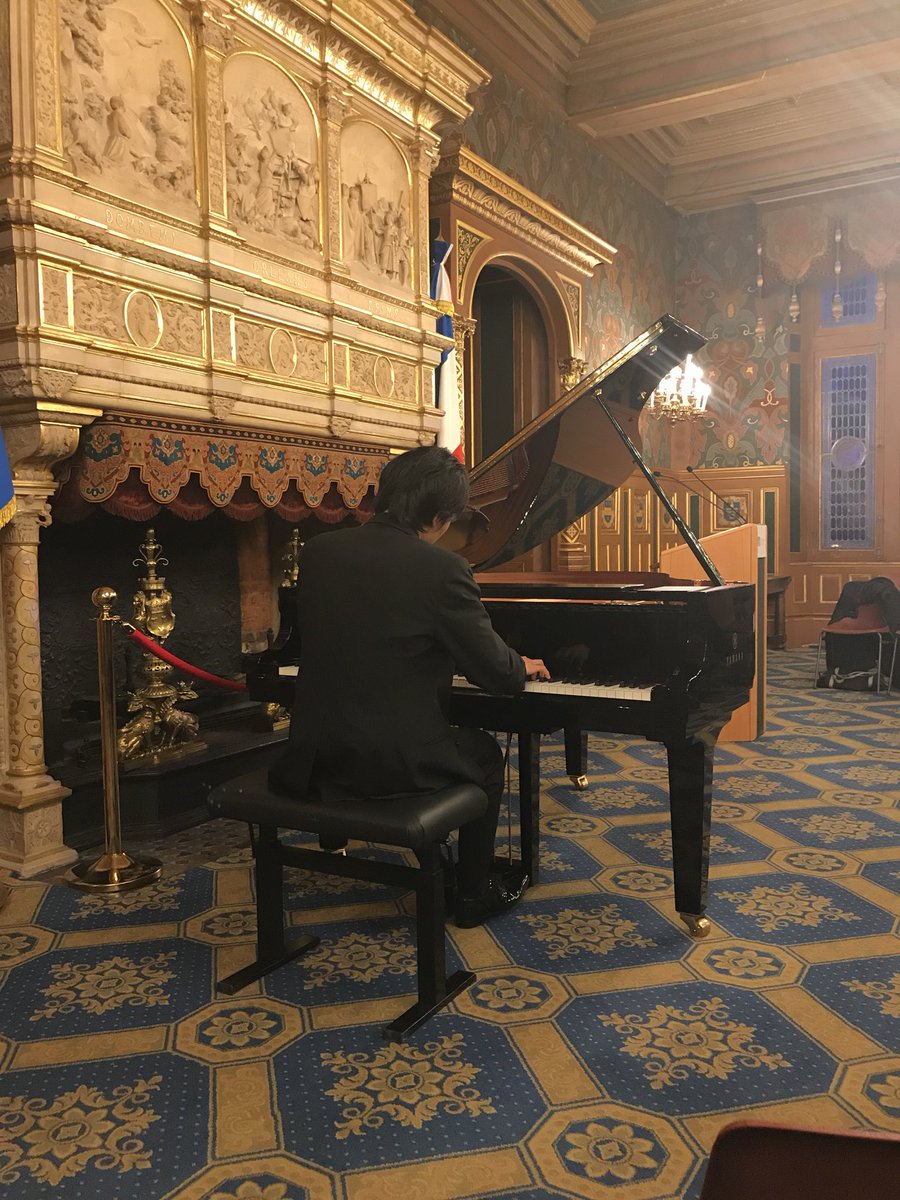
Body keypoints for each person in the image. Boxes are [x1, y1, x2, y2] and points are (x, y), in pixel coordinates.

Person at [270, 445, 550, 927]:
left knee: (436, 732)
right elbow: (499, 677)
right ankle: (472, 892)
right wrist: (520, 662)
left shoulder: (319, 552)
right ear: (441, 517)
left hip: (316, 754)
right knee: (484, 755)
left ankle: (422, 857)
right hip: (389, 764)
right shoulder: (442, 569)